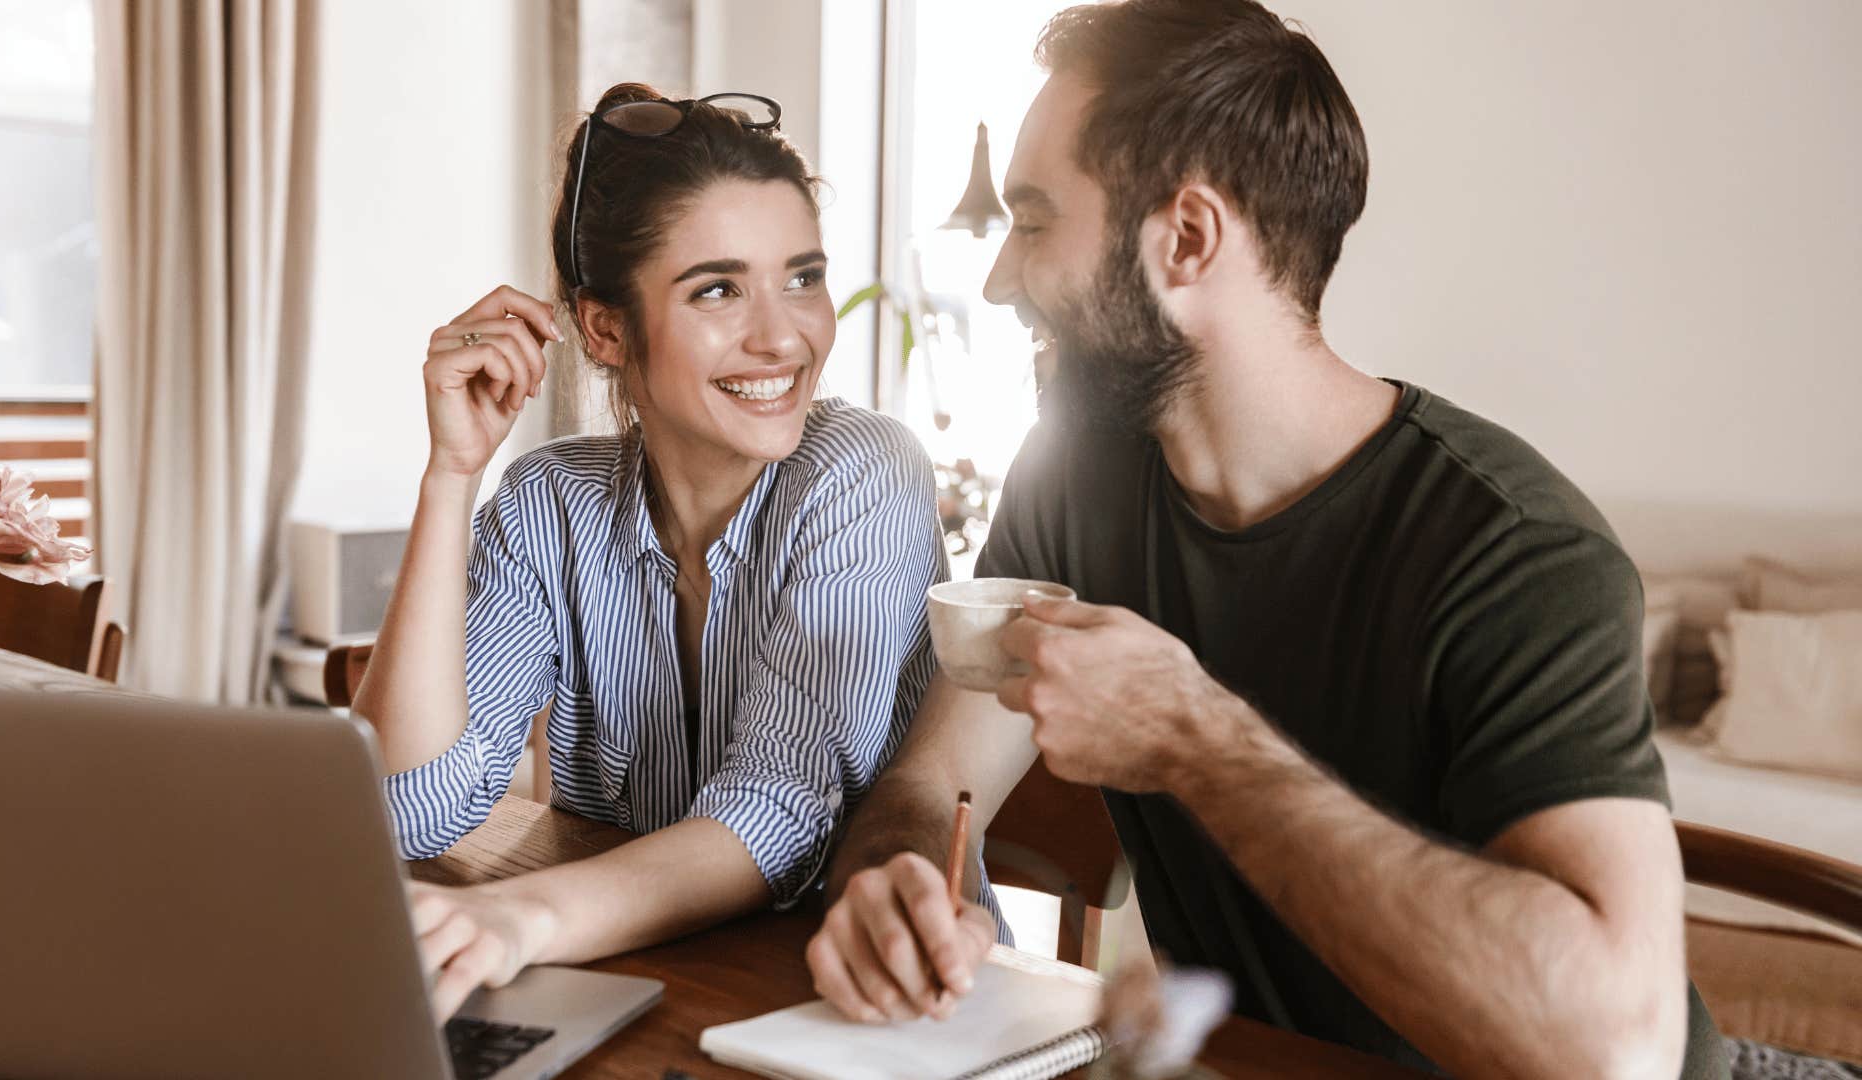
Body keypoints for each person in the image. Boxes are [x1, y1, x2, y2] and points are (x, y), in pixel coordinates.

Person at [803, 3, 1727, 1077]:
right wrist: (897, 886)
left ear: (1187, 239)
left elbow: (1619, 1049)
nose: (1001, 278)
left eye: (1038, 220)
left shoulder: (1516, 554)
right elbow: (932, 787)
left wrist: (1196, 737)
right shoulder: (1076, 479)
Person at [351, 83, 945, 1021]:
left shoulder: (863, 475)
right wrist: (452, 474)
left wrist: (520, 920)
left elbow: (781, 812)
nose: (783, 334)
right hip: (667, 991)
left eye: (802, 276)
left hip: (864, 1019)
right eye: (717, 288)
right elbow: (409, 810)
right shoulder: (549, 503)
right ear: (605, 327)